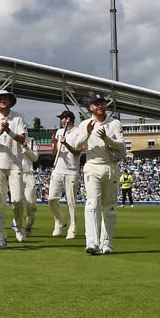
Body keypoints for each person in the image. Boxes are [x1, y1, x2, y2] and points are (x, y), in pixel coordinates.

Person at [71, 95, 125, 255]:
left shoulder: (115, 123)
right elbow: (77, 146)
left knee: (110, 207)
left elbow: (121, 145)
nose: (99, 106)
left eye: (101, 103)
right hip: (92, 167)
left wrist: (106, 138)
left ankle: (106, 244)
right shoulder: (84, 124)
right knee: (92, 204)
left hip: (111, 167)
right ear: (90, 108)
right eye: (96, 104)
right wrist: (87, 133)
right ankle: (92, 243)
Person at [0, 89, 28, 248]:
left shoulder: (18, 118)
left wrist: (8, 130)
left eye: (5, 98)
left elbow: (22, 138)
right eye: (0, 98)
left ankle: (18, 227)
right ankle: (0, 237)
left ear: (10, 101)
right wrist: (0, 131)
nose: (2, 100)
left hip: (15, 164)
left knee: (17, 200)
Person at [48, 110, 81, 240]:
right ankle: (59, 222)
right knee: (51, 199)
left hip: (72, 171)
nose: (60, 121)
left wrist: (66, 143)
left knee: (71, 202)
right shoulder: (59, 131)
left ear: (68, 119)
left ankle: (72, 228)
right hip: (58, 169)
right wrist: (55, 143)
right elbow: (53, 153)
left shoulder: (78, 132)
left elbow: (77, 153)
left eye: (62, 119)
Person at [20, 136, 40, 235]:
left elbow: (35, 158)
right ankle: (17, 225)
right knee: (17, 201)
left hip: (28, 173)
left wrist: (26, 148)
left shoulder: (31, 140)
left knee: (31, 203)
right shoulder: (11, 138)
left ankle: (28, 226)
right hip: (16, 173)